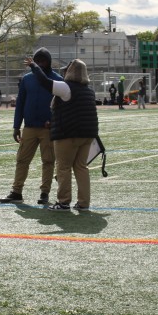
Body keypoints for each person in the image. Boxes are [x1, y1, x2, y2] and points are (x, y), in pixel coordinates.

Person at [27, 58, 98, 211]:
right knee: (81, 167)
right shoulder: (88, 90)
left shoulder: (66, 87)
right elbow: (76, 112)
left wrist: (34, 66)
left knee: (63, 167)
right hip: (87, 134)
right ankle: (84, 203)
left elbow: (45, 82)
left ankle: (64, 202)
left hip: (68, 134)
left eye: (67, 70)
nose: (64, 72)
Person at [0, 47, 62, 205]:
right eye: (37, 61)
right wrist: (16, 126)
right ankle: (16, 192)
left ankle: (44, 193)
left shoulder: (57, 79)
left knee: (48, 161)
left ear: (49, 62)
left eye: (43, 61)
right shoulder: (27, 79)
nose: (40, 64)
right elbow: (20, 103)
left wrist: (55, 123)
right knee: (22, 160)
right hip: (29, 127)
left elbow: (62, 106)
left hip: (48, 129)